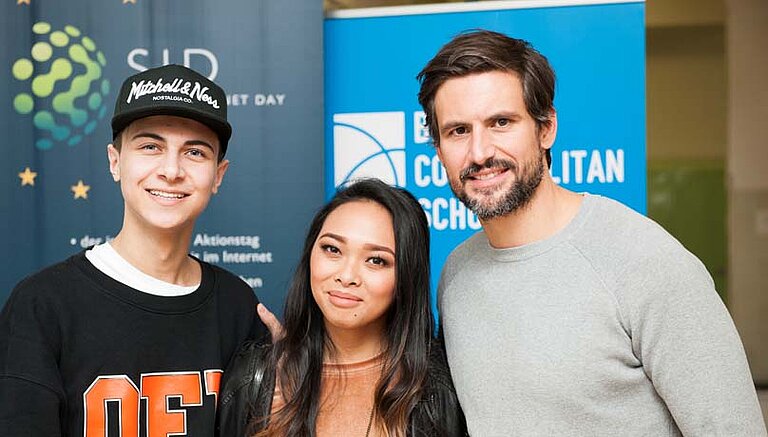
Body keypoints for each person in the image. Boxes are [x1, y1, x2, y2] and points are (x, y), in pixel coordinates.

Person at [416, 29, 767, 435]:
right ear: (439, 149)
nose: (479, 153)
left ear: (546, 128)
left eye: (501, 122)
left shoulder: (646, 262)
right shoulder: (457, 273)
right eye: (458, 131)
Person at [0, 64, 267, 435]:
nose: (171, 170)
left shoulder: (238, 305)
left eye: (195, 152)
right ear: (115, 161)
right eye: (150, 146)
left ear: (218, 175)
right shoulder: (43, 304)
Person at [217, 178, 467, 437]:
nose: (347, 276)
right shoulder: (256, 376)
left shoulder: (441, 387)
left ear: (406, 276)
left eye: (376, 260)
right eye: (332, 249)